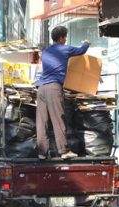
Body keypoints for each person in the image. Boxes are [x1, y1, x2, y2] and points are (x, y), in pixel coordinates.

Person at [36, 26, 90, 160]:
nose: (66, 40)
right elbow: (81, 50)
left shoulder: (45, 52)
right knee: (58, 118)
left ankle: (42, 153)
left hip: (41, 88)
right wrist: (87, 42)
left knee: (42, 121)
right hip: (54, 87)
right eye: (65, 37)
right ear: (60, 38)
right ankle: (64, 151)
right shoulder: (65, 49)